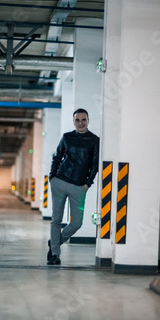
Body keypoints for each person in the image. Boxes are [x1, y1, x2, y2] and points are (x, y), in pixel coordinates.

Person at [47, 108, 99, 265]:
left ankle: (55, 242)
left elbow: (95, 165)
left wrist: (87, 185)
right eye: (77, 120)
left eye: (84, 120)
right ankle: (55, 254)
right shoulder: (67, 137)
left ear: (88, 121)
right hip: (60, 182)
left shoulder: (94, 140)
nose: (81, 123)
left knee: (76, 223)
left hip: (78, 187)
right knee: (56, 219)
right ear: (73, 121)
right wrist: (52, 176)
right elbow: (57, 156)